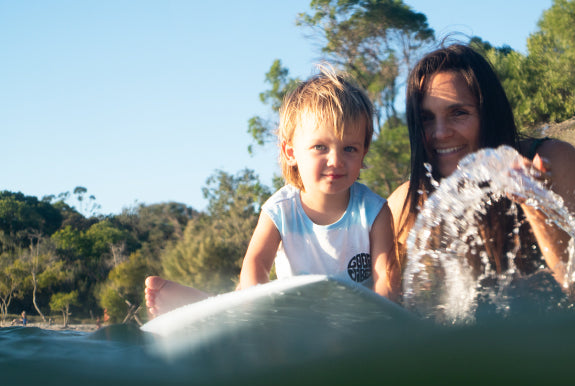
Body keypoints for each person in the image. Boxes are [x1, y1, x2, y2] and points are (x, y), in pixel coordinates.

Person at [145, 68, 399, 317]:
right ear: (291, 153)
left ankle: (216, 308)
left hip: (356, 320)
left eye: (350, 149)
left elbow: (384, 279)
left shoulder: (374, 211)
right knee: (248, 298)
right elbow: (255, 265)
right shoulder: (281, 209)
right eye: (320, 147)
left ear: (364, 153)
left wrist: (378, 324)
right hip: (294, 319)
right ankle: (207, 307)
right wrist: (261, 316)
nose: (336, 160)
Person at [387, 43, 575, 287]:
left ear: (488, 114)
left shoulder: (554, 161)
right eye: (426, 118)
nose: (440, 133)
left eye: (458, 113)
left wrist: (534, 203)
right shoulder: (407, 204)